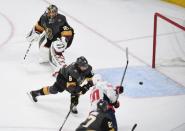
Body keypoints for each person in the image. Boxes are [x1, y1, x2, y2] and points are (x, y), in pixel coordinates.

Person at [28, 56, 94, 114]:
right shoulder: (73, 71)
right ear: (78, 66)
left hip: (73, 79)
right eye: (83, 66)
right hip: (62, 78)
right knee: (54, 90)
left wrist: (88, 85)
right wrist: (83, 89)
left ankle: (73, 105)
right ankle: (35, 93)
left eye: (86, 65)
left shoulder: (88, 68)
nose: (85, 68)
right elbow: (72, 87)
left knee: (76, 91)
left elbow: (89, 78)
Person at [26, 4, 74, 76]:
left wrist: (65, 39)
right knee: (44, 50)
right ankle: (49, 56)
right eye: (50, 12)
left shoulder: (61, 18)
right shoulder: (43, 17)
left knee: (56, 46)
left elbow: (67, 30)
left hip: (62, 38)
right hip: (50, 37)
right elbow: (39, 27)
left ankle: (60, 68)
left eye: (54, 12)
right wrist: (34, 34)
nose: (52, 14)